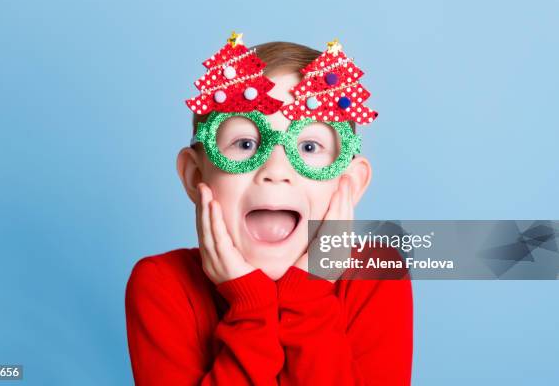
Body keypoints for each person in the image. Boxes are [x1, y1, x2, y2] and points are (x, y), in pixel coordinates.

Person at [125, 33, 413, 385]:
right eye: (245, 144)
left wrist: (307, 294)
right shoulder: (163, 284)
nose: (276, 171)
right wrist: (250, 306)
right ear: (194, 175)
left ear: (349, 183)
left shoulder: (377, 276)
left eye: (309, 146)